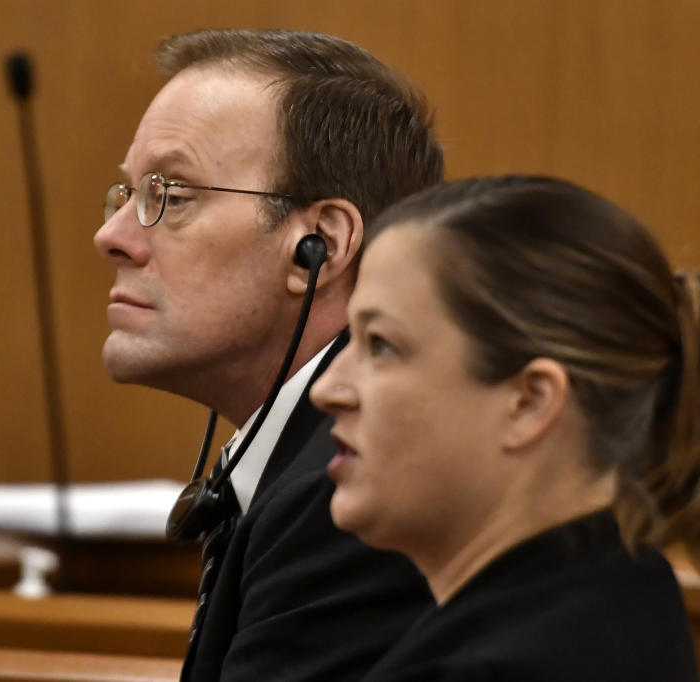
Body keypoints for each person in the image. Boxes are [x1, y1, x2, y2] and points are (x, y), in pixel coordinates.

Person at [311, 175, 700, 681]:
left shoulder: (512, 663)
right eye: (349, 340)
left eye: (380, 345)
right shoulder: (624, 591)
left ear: (530, 401)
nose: (326, 389)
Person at [93, 29, 444, 682]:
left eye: (170, 196)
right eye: (128, 194)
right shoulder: (312, 462)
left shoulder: (353, 493)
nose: (111, 237)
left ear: (321, 243)